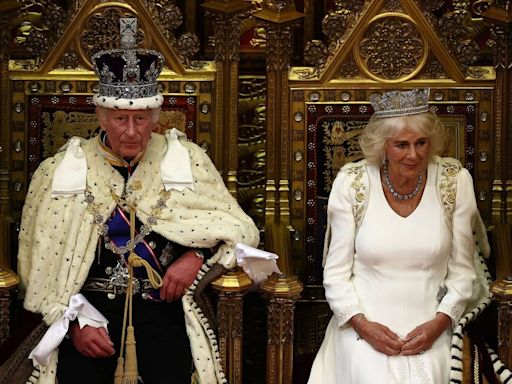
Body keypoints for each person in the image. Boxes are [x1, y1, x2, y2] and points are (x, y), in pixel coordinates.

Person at [17, 18, 259, 384]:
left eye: (141, 119)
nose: (131, 131)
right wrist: (71, 320)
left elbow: (239, 230)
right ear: (100, 115)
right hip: (86, 315)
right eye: (120, 118)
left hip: (163, 309)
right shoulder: (60, 170)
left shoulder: (187, 160)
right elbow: (39, 261)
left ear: (155, 117)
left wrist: (195, 257)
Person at [308, 88, 489, 383]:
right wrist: (362, 325)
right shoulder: (353, 183)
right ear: (382, 146)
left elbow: (462, 272)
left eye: (421, 143)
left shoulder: (454, 182)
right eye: (401, 145)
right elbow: (336, 274)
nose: (413, 154)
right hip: (363, 327)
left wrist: (440, 323)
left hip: (434, 325)